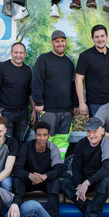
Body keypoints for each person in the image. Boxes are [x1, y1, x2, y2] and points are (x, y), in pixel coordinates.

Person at [61, 117, 109, 217]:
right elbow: (76, 168)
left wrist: (86, 183)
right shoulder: (81, 143)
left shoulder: (107, 143)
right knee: (65, 183)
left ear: (102, 131)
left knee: (106, 181)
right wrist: (79, 185)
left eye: (94, 131)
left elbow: (107, 168)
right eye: (89, 132)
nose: (91, 135)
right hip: (85, 178)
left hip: (100, 178)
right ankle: (91, 213)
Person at [32, 30, 79, 159]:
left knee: (62, 141)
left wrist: (75, 104)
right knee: (46, 140)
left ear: (66, 42)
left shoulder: (69, 62)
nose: (60, 44)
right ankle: (44, 166)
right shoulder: (43, 59)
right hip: (48, 110)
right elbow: (36, 81)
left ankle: (59, 165)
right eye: (57, 41)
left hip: (66, 111)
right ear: (52, 43)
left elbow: (73, 85)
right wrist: (38, 102)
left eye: (62, 41)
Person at [12, 121, 64, 217]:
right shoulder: (26, 147)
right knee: (17, 180)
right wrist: (29, 175)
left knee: (55, 181)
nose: (42, 138)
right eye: (39, 135)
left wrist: (45, 176)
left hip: (45, 181)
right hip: (29, 181)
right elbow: (17, 168)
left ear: (48, 136)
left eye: (45, 135)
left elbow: (59, 169)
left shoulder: (53, 147)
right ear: (35, 136)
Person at [75, 24, 109, 117]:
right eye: (96, 37)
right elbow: (78, 79)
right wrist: (81, 103)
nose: (100, 39)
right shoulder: (85, 56)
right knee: (98, 127)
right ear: (93, 39)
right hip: (95, 104)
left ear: (107, 36)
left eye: (102, 36)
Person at [0, 42, 35, 143]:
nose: (18, 55)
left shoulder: (28, 70)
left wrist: (34, 110)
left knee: (20, 141)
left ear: (25, 54)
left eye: (21, 53)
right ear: (11, 53)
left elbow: (30, 92)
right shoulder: (2, 68)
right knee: (5, 142)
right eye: (16, 52)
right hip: (5, 112)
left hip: (23, 112)